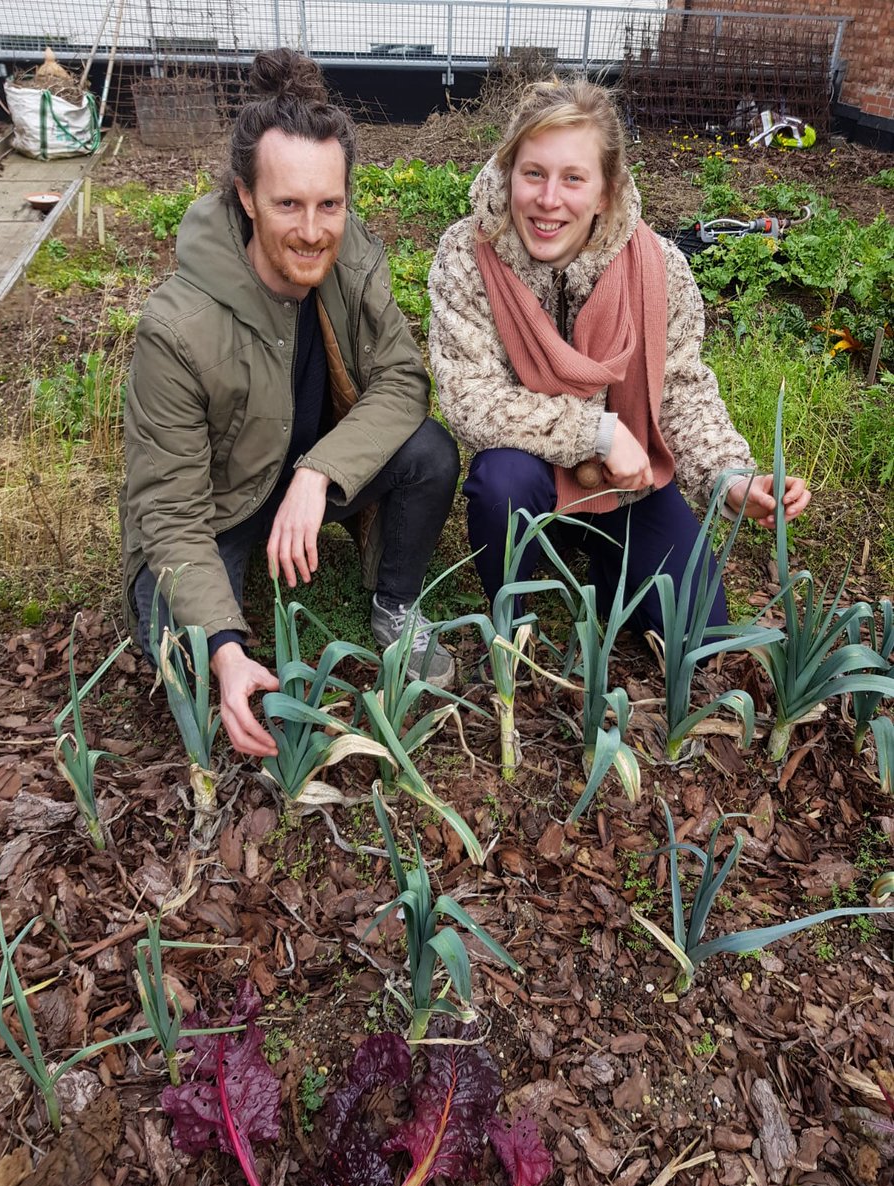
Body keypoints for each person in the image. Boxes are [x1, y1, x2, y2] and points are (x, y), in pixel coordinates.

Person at [121, 49, 459, 758]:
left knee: (429, 452)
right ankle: (225, 618)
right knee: (178, 658)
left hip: (301, 477)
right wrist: (224, 646)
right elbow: (172, 513)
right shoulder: (176, 329)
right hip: (216, 509)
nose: (312, 230)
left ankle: (394, 606)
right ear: (246, 197)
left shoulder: (351, 260)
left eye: (329, 204)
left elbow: (403, 379)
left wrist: (319, 472)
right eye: (288, 205)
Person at [428, 80, 811, 636]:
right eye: (533, 172)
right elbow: (470, 399)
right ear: (508, 172)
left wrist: (730, 476)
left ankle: (608, 564)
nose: (549, 199)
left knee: (698, 626)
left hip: (628, 485)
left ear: (606, 191)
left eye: (574, 178)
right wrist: (601, 434)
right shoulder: (469, 255)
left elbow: (681, 387)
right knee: (501, 479)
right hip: (532, 480)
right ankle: (513, 607)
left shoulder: (658, 267)